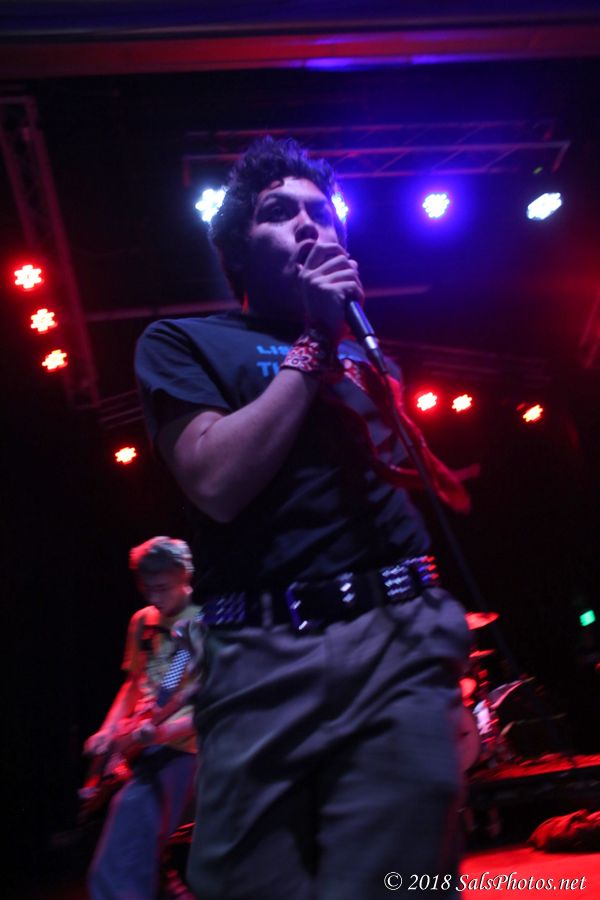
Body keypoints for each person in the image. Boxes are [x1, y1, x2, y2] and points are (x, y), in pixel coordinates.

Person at [135, 137, 473, 898]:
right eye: (280, 212)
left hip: (395, 638)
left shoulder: (371, 359)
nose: (309, 224)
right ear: (237, 251)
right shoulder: (184, 342)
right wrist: (315, 344)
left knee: (396, 884)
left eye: (322, 213)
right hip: (261, 656)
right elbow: (216, 481)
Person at [86, 536, 199, 900]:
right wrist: (109, 730)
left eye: (162, 588)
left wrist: (161, 732)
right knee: (139, 841)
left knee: (128, 843)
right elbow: (134, 685)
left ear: (184, 577)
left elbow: (209, 699)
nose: (154, 598)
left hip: (186, 747)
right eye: (147, 589)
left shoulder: (204, 621)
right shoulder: (142, 622)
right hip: (145, 741)